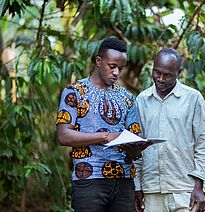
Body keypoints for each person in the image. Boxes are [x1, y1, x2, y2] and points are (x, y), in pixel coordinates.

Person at [56, 37, 146, 212]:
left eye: (120, 68)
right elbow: (63, 136)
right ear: (98, 61)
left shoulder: (127, 98)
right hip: (89, 179)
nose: (116, 72)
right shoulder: (75, 91)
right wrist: (105, 137)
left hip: (124, 180)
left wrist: (138, 146)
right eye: (112, 66)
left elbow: (135, 135)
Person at [134, 48, 205, 212]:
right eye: (157, 72)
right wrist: (137, 186)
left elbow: (203, 144)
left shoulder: (193, 99)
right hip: (152, 190)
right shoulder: (142, 100)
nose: (160, 79)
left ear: (179, 72)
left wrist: (199, 186)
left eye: (167, 75)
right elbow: (137, 147)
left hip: (185, 190)